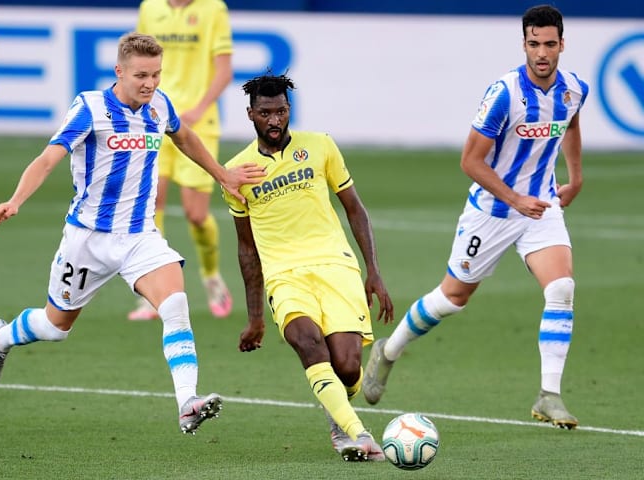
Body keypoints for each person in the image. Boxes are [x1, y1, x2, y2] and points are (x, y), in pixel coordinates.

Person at [0, 32, 265, 434]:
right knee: (55, 326)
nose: (150, 83)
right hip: (88, 240)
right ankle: (3, 337)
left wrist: (222, 174)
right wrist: (16, 199)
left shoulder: (159, 105)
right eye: (141, 75)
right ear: (119, 72)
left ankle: (187, 402)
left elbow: (183, 136)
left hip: (139, 238)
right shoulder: (90, 108)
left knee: (176, 304)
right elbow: (48, 158)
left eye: (156, 74)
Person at [363, 5, 587, 430]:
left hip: (540, 206)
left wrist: (574, 178)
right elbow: (471, 160)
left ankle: (549, 395)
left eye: (550, 44)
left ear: (562, 44)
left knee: (561, 287)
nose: (542, 53)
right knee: (452, 299)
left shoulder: (574, 89)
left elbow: (571, 124)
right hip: (492, 211)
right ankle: (388, 351)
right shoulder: (504, 93)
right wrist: (513, 198)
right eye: (534, 44)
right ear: (524, 44)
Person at [222, 74, 395, 461]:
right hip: (284, 275)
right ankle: (358, 434)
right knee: (307, 343)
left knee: (348, 367)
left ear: (289, 110)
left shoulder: (320, 146)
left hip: (335, 264)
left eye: (281, 111)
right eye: (265, 112)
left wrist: (374, 270)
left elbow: (355, 208)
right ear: (251, 114)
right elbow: (246, 248)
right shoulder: (236, 171)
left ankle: (339, 412)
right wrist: (255, 318)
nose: (275, 120)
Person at [129, 0, 235, 321]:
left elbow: (224, 68)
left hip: (197, 125)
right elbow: (138, 60)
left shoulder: (213, 9)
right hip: (154, 120)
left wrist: (202, 106)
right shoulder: (150, 7)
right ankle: (153, 295)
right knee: (151, 204)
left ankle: (212, 276)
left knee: (196, 213)